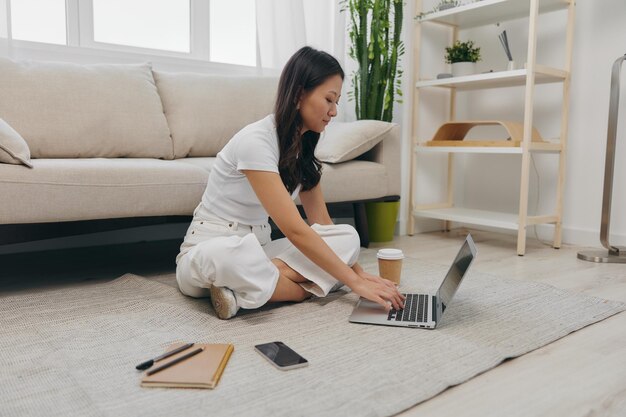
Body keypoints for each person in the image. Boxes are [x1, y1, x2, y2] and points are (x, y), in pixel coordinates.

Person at [175, 46, 405, 320]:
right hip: (208, 253)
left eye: (337, 102)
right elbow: (295, 230)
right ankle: (300, 291)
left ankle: (241, 292)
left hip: (260, 253)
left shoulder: (303, 149)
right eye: (329, 99)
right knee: (228, 255)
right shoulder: (256, 141)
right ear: (298, 94)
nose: (333, 112)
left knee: (347, 237)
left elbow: (322, 224)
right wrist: (353, 283)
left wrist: (361, 274)